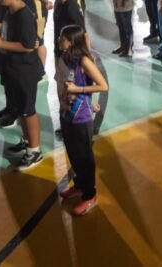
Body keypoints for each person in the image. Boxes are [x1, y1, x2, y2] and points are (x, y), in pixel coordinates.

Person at [0, 0, 45, 171]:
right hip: (13, 67)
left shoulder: (23, 15)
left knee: (28, 110)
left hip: (25, 70)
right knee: (21, 109)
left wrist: (1, 44)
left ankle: (35, 151)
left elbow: (28, 45)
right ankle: (26, 141)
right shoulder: (10, 11)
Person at [56, 25, 109, 216]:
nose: (59, 38)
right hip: (66, 113)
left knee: (84, 157)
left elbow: (102, 85)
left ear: (72, 41)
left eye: (62, 37)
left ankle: (90, 195)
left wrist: (80, 91)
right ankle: (79, 185)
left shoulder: (84, 61)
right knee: (73, 153)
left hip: (81, 116)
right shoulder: (64, 58)